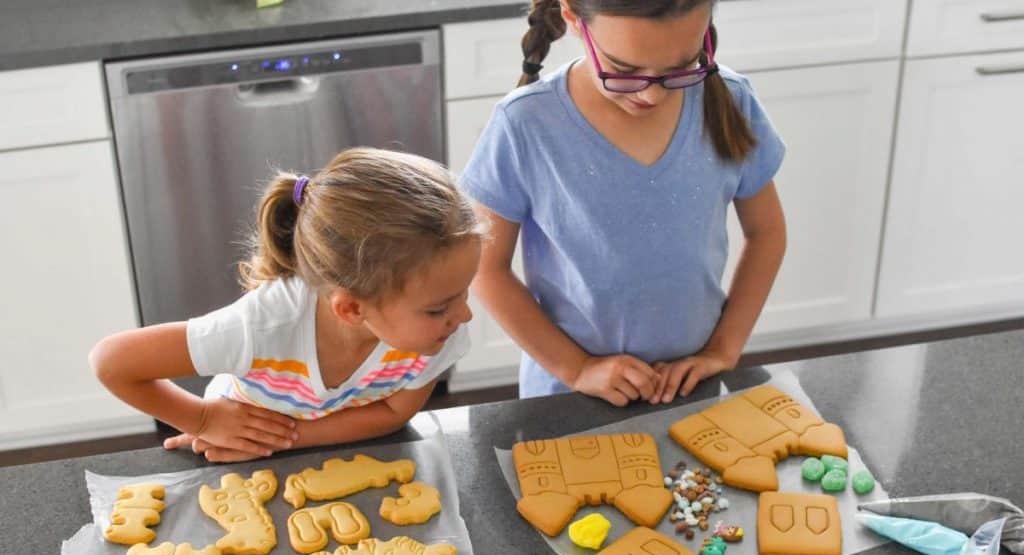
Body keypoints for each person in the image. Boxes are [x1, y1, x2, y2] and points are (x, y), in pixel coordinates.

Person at [462, 0, 786, 406]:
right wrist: (577, 368)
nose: (652, 94)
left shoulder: (730, 100)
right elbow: (486, 268)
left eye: (680, 67)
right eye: (625, 70)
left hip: (691, 383)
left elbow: (767, 233)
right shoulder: (524, 124)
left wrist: (723, 348)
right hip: (570, 393)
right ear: (573, 19)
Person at [90, 148, 483, 462]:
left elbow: (394, 414)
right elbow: (113, 361)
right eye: (440, 307)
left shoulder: (436, 334)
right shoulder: (264, 326)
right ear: (351, 309)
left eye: (464, 292)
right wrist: (206, 419)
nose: (464, 316)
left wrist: (286, 440)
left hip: (308, 449)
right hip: (239, 454)